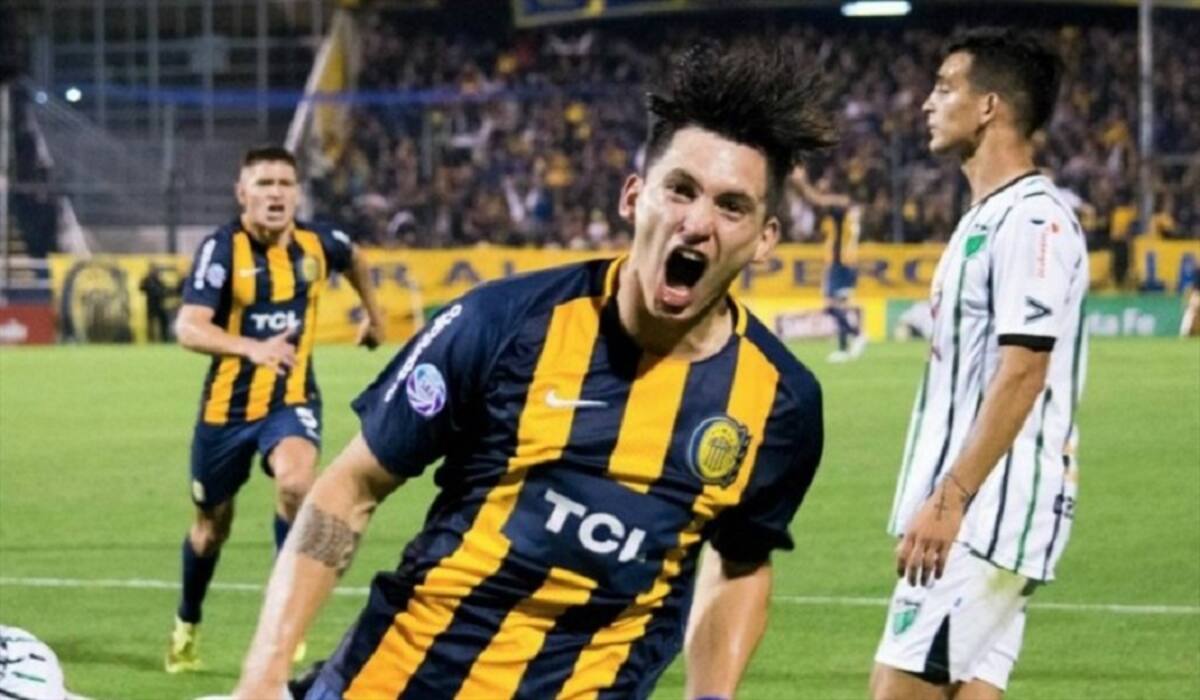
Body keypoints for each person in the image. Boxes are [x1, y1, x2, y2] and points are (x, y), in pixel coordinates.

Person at [233, 40, 832, 700]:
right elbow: (350, 487)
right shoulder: (503, 323)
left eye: (731, 206)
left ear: (766, 238)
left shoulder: (780, 404)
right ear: (634, 197)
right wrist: (264, 675)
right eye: (680, 190)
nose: (696, 223)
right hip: (392, 683)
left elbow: (742, 563)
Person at [871, 30, 1089, 700]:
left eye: (944, 88)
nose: (926, 103)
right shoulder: (986, 218)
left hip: (985, 516)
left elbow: (1023, 371)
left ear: (989, 106)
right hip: (981, 511)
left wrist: (949, 499)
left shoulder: (1031, 221)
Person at [166, 145, 385, 674]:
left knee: (296, 482)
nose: (276, 194)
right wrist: (251, 349)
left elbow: (355, 257)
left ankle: (285, 615)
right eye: (264, 184)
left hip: (291, 399)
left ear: (297, 193)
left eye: (285, 184)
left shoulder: (318, 243)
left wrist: (374, 317)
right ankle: (187, 623)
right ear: (242, 194)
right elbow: (189, 327)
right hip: (225, 412)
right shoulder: (222, 250)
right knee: (210, 528)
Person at [792, 167, 867, 362]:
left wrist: (802, 182)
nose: (821, 188)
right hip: (844, 261)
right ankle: (843, 349)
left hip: (841, 262)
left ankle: (857, 334)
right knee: (839, 304)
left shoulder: (842, 204)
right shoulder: (843, 209)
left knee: (831, 305)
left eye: (824, 184)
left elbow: (814, 199)